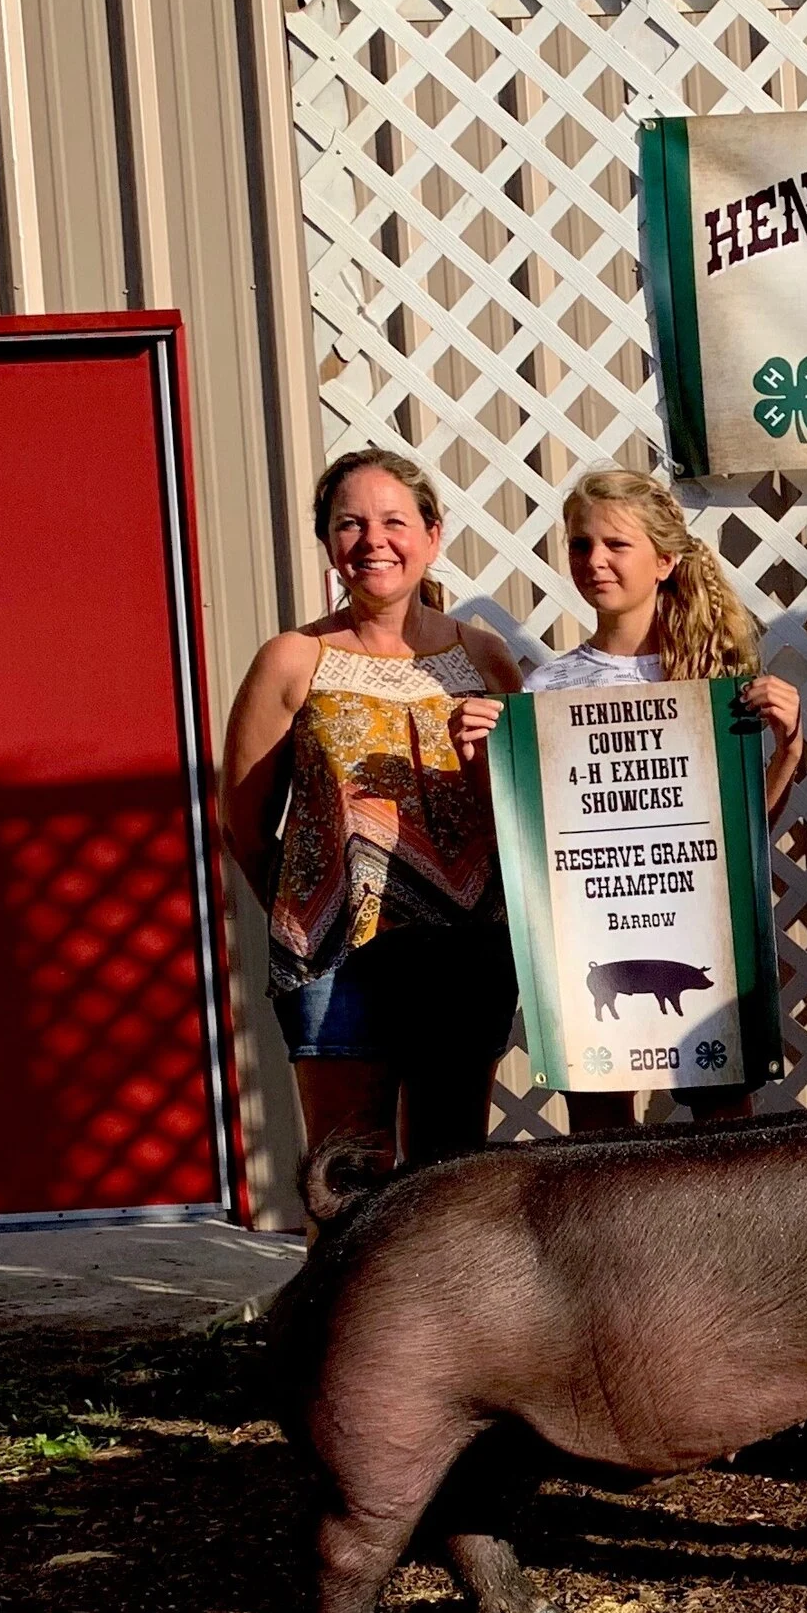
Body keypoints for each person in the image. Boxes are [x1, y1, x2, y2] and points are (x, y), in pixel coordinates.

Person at [451, 467, 807, 1133]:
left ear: (665, 560)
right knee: (599, 1131)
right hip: (588, 930)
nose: (596, 561)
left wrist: (788, 747)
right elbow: (525, 841)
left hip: (703, 925)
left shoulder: (716, 682)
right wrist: (480, 760)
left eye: (617, 544)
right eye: (582, 545)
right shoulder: (550, 686)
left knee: (723, 1124)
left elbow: (743, 839)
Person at [221, 447, 523, 1214]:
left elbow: (530, 799)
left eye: (394, 521)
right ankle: (336, 1334)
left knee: (449, 1179)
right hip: (341, 964)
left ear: (432, 534)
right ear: (328, 541)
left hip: (465, 954)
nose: (372, 540)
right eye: (350, 523)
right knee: (345, 1179)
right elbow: (247, 826)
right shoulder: (294, 659)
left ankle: (449, 1338)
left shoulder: (482, 654)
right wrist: (314, 920)